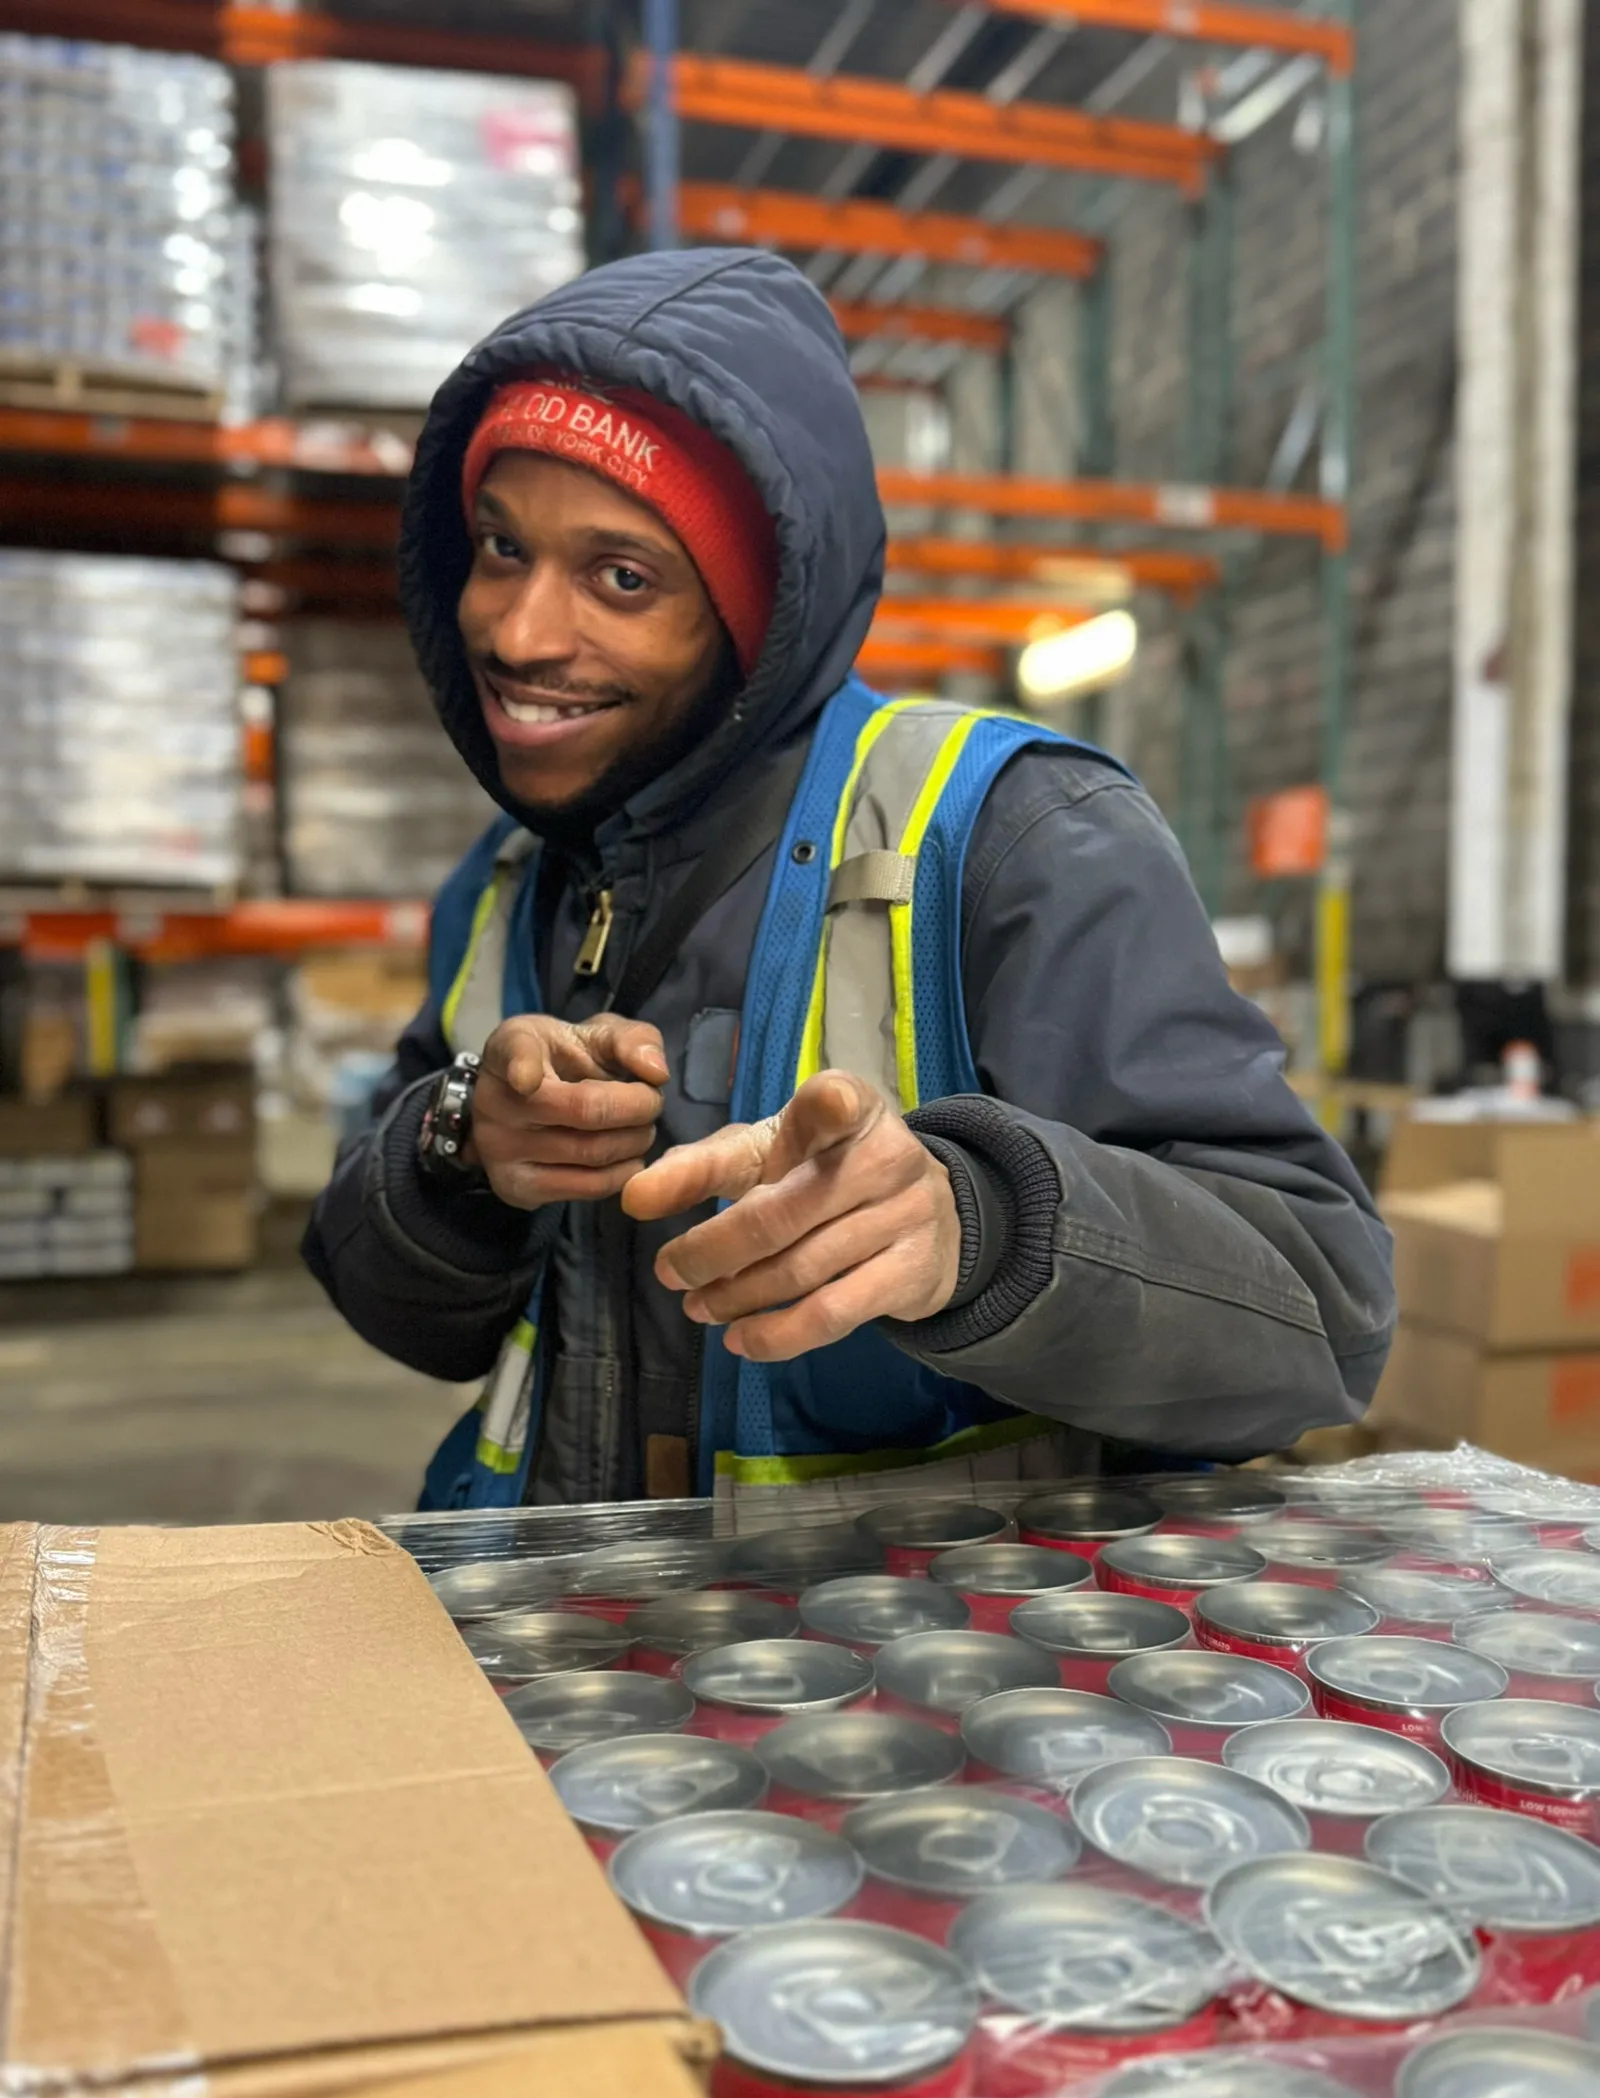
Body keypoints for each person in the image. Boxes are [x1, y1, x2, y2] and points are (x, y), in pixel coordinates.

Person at [304, 246, 1394, 1512]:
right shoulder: (505, 887)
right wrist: (455, 1148)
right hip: (564, 1620)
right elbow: (394, 1308)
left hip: (913, 1635)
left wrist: (974, 1229)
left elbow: (1323, 1314)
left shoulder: (1013, 836)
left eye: (622, 577)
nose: (518, 631)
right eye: (501, 548)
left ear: (754, 610)